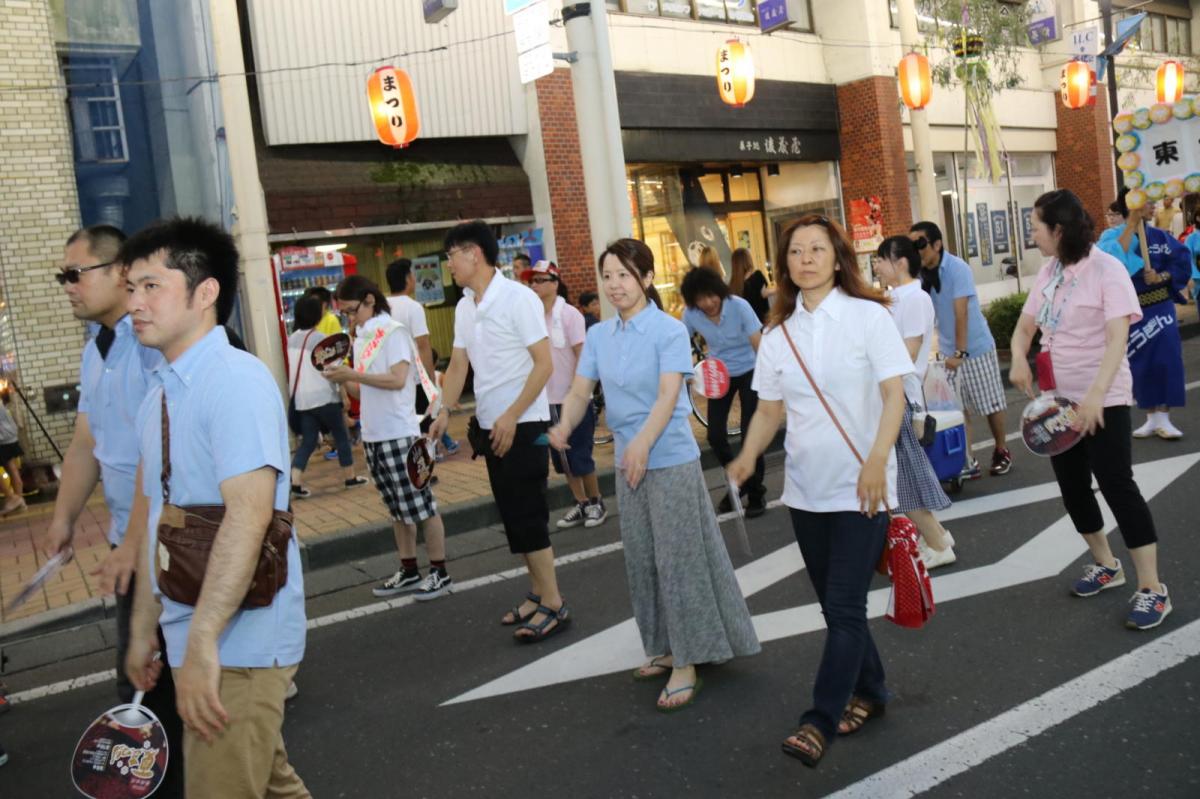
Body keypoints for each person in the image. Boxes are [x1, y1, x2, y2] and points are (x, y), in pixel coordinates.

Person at [122, 217, 310, 797]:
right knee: (272, 784)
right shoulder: (162, 390)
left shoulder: (234, 381)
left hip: (240, 643)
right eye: (131, 287)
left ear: (206, 294)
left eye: (152, 286)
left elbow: (249, 515)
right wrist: (143, 630)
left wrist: (202, 643)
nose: (135, 302)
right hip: (199, 632)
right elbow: (162, 522)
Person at [729, 215, 911, 767]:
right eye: (795, 252)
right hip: (807, 492)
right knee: (839, 611)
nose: (805, 259)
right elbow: (768, 410)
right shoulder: (779, 335)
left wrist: (879, 461)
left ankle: (819, 720)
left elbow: (894, 396)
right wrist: (746, 457)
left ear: (837, 258)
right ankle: (872, 690)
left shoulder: (868, 317)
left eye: (817, 249)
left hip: (864, 486)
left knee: (845, 606)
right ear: (784, 265)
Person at [550, 238, 760, 711]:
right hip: (630, 463)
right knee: (644, 559)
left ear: (646, 279)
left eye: (625, 275)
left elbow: (669, 396)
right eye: (608, 276)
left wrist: (642, 442)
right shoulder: (601, 335)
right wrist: (564, 424)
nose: (615, 285)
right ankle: (665, 647)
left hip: (667, 458)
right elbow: (582, 390)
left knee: (679, 560)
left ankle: (688, 660)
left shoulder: (667, 330)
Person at [41, 224, 184, 798]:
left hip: (170, 548)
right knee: (149, 690)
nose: (68, 287)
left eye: (75, 274)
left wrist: (135, 546)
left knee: (157, 698)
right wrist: (62, 519)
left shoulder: (150, 341)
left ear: (119, 272)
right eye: (63, 277)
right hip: (134, 549)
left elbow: (160, 444)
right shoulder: (94, 352)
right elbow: (85, 443)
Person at [1011, 189, 1173, 630]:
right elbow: (1027, 325)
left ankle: (1152, 588)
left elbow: (1117, 338)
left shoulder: (1108, 269)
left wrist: (1098, 395)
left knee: (1117, 485)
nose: (1033, 235)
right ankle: (1106, 565)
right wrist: (1017, 355)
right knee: (1073, 487)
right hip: (1058, 402)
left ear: (1058, 230)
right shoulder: (1049, 270)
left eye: (1035, 227)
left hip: (1104, 398)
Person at [430, 221, 570, 642]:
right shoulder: (464, 306)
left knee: (529, 515)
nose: (448, 263)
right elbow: (458, 367)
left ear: (474, 253)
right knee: (512, 516)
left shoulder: (518, 298)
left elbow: (544, 364)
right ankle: (537, 592)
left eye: (452, 254)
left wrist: (511, 414)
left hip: (523, 424)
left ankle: (555, 604)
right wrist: (442, 411)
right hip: (491, 426)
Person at [324, 276, 452, 600]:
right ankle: (409, 569)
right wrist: (340, 378)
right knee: (396, 508)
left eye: (352, 311)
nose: (349, 319)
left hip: (400, 432)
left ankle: (439, 571)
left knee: (422, 505)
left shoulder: (392, 332)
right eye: (345, 314)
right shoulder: (362, 336)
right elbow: (362, 389)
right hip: (373, 434)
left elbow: (396, 380)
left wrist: (351, 374)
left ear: (369, 301)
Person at [874, 237, 956, 568]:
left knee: (902, 480)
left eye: (881, 259)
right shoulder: (893, 297)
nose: (876, 266)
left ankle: (938, 545)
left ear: (901, 262)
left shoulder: (915, 298)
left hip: (902, 397)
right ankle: (938, 535)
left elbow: (909, 350)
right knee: (904, 476)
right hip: (893, 396)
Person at [909, 221, 1013, 478]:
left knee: (990, 403)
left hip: (974, 347)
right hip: (948, 350)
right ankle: (968, 461)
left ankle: (1002, 450)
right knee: (955, 408)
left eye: (920, 244)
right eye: (912, 245)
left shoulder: (957, 268)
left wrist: (960, 352)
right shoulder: (919, 274)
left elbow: (961, 312)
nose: (917, 250)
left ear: (937, 244)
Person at [521, 260, 607, 528]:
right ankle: (580, 503)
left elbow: (583, 355)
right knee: (561, 458)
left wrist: (581, 391)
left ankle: (596, 502)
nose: (534, 285)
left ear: (555, 283)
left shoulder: (570, 315)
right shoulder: (531, 315)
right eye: (531, 281)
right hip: (544, 400)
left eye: (540, 280)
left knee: (580, 454)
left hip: (573, 399)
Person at [1097, 190, 1190, 439]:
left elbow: (1181, 261)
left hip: (1161, 308)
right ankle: (1150, 417)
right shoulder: (1111, 236)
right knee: (1139, 363)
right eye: (1148, 202)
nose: (1153, 206)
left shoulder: (1160, 236)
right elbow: (1112, 260)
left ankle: (1164, 416)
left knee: (1167, 359)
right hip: (1132, 312)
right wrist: (1131, 225)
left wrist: (1162, 277)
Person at [680, 265, 767, 517]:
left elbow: (759, 345)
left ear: (719, 291)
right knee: (715, 436)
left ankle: (756, 493)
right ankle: (741, 482)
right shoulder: (690, 314)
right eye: (700, 299)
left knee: (751, 432)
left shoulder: (739, 306)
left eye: (711, 295)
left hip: (751, 370)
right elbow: (679, 342)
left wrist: (769, 382)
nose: (707, 303)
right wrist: (685, 372)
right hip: (719, 374)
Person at [287, 296, 368, 497]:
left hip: (303, 400)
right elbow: (334, 371)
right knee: (341, 436)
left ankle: (295, 481)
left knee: (308, 441)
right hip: (325, 397)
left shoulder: (292, 339)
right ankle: (350, 477)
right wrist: (344, 395)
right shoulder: (320, 339)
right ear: (316, 315)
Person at [385, 258, 438, 430]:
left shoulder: (382, 307)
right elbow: (423, 345)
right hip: (414, 380)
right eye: (413, 275)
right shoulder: (413, 307)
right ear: (408, 279)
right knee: (424, 428)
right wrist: (430, 379)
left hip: (391, 379)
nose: (415, 279)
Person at [0, 394, 26, 515]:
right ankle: (19, 502)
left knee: (11, 467)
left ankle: (11, 497)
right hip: (10, 435)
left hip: (2, 437)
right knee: (12, 467)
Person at [731, 247, 772, 324]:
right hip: (762, 322)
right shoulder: (757, 276)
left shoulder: (733, 285)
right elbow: (764, 293)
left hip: (746, 326)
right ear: (748, 260)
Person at [1178, 194, 1200, 323]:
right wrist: (1189, 276)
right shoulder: (1191, 237)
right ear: (1198, 217)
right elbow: (1186, 257)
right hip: (1198, 279)